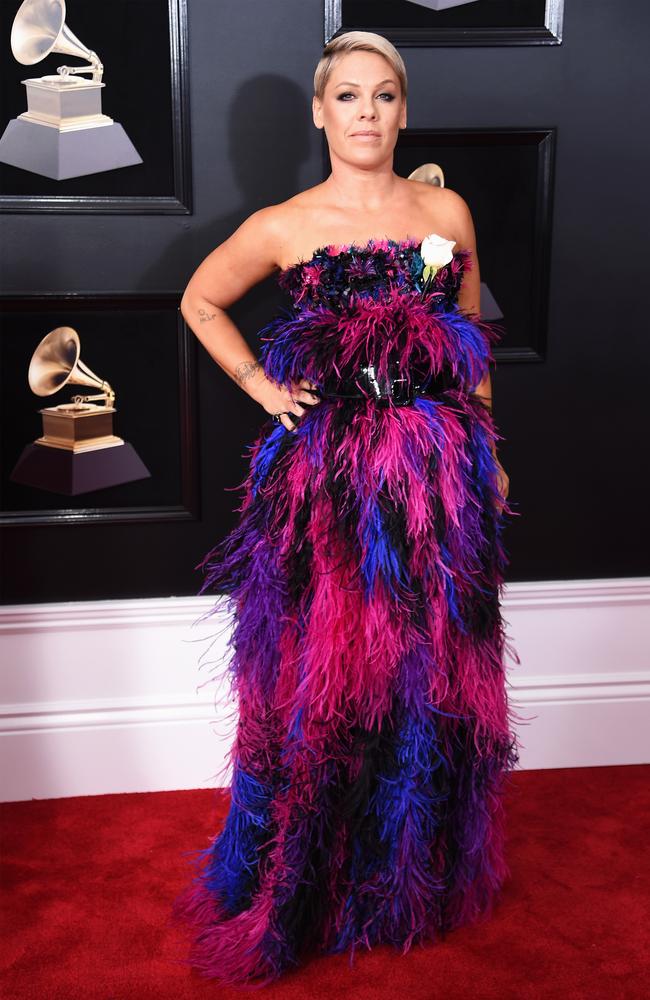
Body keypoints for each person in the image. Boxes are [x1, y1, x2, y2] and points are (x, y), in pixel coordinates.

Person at [171, 29, 521, 987]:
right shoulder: (287, 223)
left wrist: (485, 452)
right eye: (348, 97)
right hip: (330, 486)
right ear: (320, 113)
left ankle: (410, 874)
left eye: (382, 96)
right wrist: (264, 389)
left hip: (439, 476)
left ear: (403, 111)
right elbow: (202, 300)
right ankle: (315, 880)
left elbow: (468, 348)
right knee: (330, 679)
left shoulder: (445, 207)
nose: (366, 112)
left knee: (426, 670)